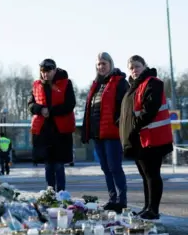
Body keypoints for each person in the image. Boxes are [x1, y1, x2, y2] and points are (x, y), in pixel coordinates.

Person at [119, 55, 173, 220]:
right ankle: (147, 207)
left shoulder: (153, 83)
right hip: (139, 138)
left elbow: (150, 109)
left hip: (152, 138)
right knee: (145, 175)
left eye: (137, 66)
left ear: (144, 66)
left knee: (152, 174)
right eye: (131, 67)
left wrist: (133, 125)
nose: (134, 70)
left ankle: (154, 210)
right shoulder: (133, 87)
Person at [81, 52, 129, 213]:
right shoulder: (95, 85)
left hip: (112, 134)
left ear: (110, 64)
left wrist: (119, 122)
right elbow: (89, 109)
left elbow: (126, 106)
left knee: (115, 167)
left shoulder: (120, 82)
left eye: (104, 63)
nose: (101, 67)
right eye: (99, 64)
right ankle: (112, 198)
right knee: (106, 168)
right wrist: (86, 131)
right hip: (97, 134)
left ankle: (121, 201)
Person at [28, 59, 76, 192]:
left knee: (59, 165)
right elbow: (30, 104)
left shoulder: (66, 83)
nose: (45, 75)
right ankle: (50, 192)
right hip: (43, 132)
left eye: (48, 71)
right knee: (48, 165)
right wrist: (40, 109)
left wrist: (51, 111)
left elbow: (70, 104)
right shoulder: (36, 85)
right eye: (43, 72)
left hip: (60, 131)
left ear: (54, 70)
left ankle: (61, 193)